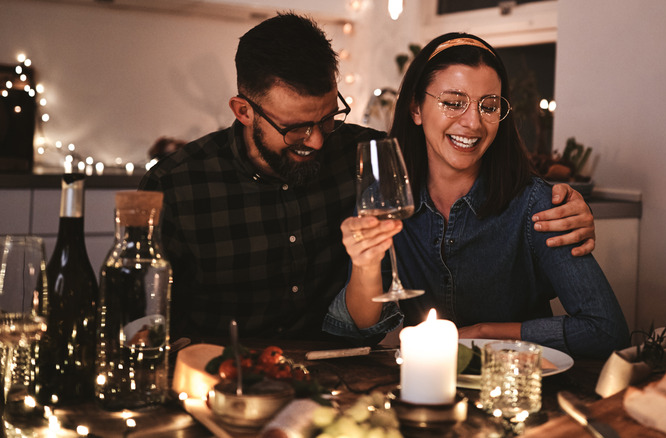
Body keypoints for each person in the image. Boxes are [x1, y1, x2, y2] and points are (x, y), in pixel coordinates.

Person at [139, 14, 596, 341]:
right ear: (244, 111)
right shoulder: (176, 186)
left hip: (341, 378)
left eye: (328, 117)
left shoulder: (369, 152)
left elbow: (457, 151)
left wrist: (563, 201)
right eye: (296, 127)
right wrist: (182, 356)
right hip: (222, 383)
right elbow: (140, 323)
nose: (317, 141)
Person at [324, 33, 629, 359]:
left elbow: (607, 330)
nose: (472, 122)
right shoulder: (387, 201)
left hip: (516, 388)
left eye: (489, 106)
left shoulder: (538, 205)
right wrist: (365, 264)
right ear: (416, 108)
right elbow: (360, 329)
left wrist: (483, 334)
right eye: (453, 102)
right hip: (420, 389)